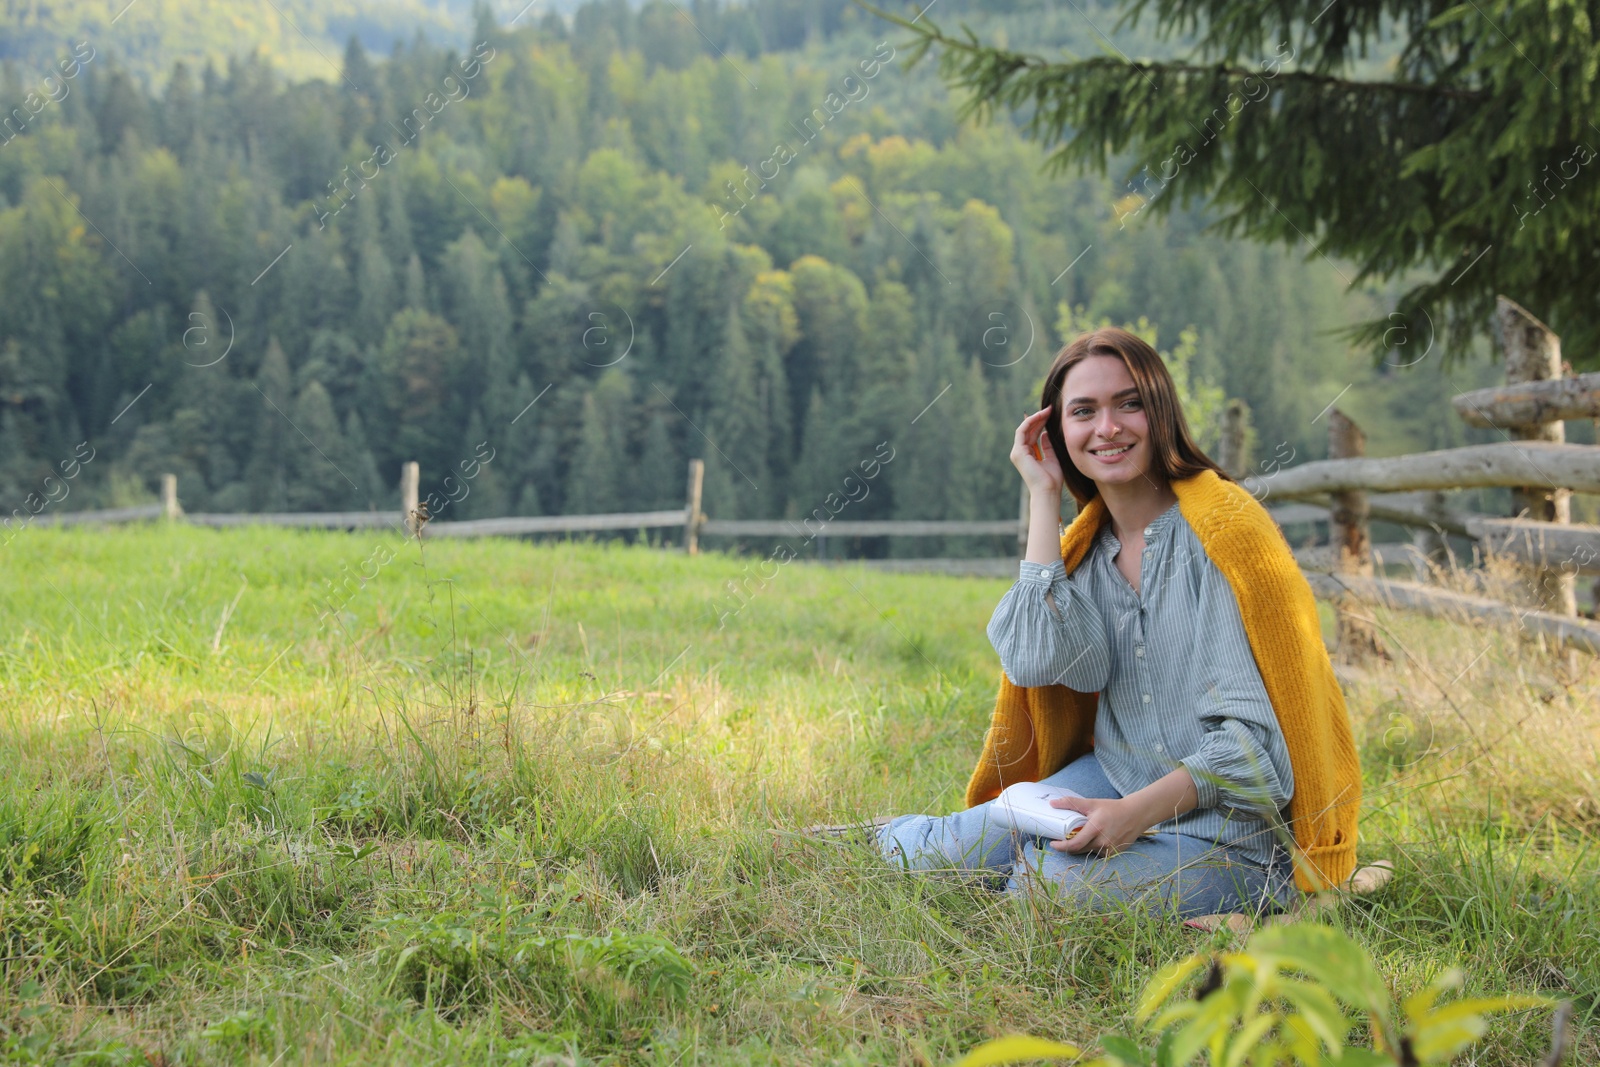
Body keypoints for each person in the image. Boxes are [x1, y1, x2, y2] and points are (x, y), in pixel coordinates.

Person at [875, 327, 1362, 918]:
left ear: (1160, 413)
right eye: (1084, 412)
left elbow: (1260, 754)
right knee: (942, 854)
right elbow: (1032, 660)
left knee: (1046, 890)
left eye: (1128, 404)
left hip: (1235, 828)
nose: (1107, 428)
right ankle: (873, 833)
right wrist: (1042, 494)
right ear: (1059, 433)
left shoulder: (1223, 536)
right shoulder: (1086, 551)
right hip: (1117, 773)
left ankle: (1265, 894)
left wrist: (1134, 817)